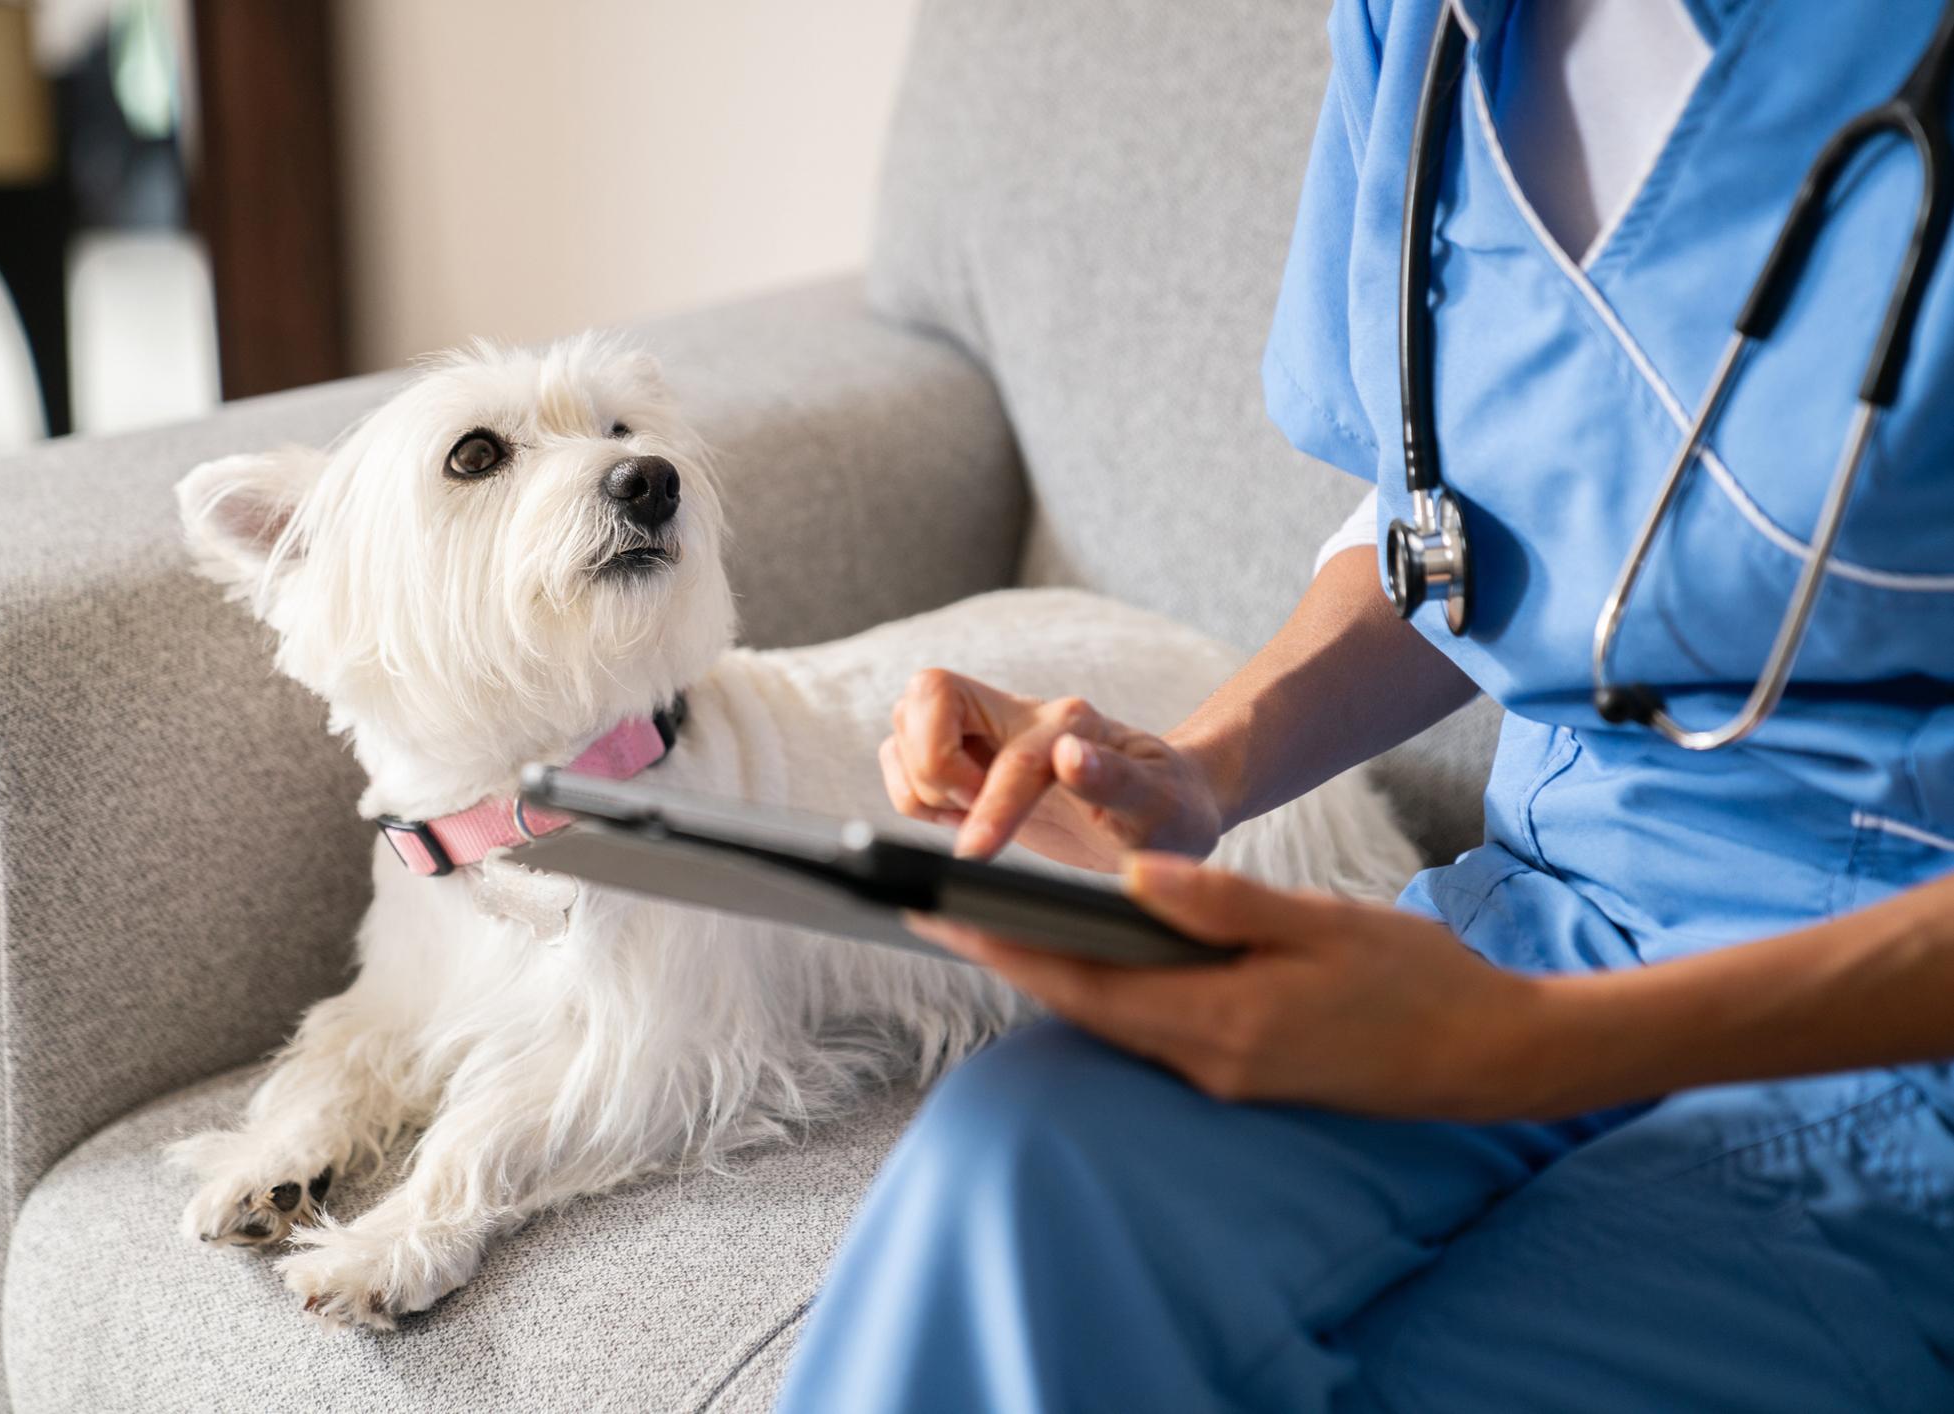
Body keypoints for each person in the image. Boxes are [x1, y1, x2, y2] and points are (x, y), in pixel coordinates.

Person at [774, 1, 1954, 1409]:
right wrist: (1195, 766)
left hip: (1896, 1015)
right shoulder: (1428, 29)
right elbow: (1461, 519)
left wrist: (1513, 1049)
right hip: (1555, 917)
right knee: (1020, 1151)